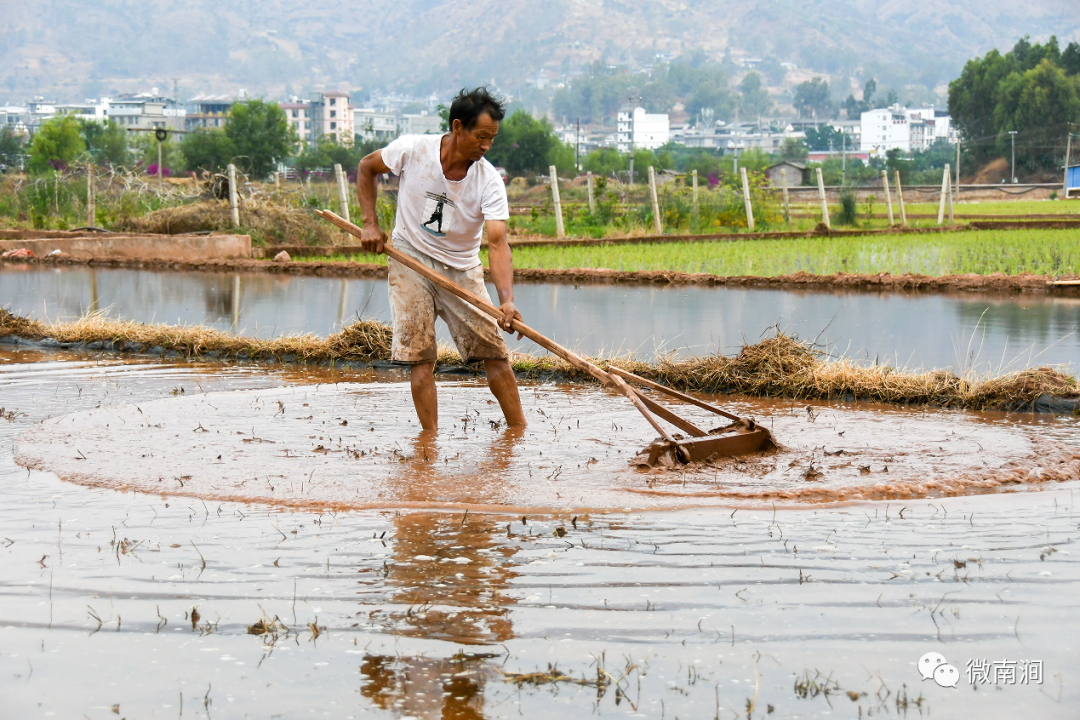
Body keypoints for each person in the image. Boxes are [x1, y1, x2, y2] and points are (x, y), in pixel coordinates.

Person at [355, 87, 526, 432]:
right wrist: (369, 224)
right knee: (420, 356)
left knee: (494, 352)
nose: (486, 146)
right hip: (409, 260)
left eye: (492, 139)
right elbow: (366, 167)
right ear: (457, 126)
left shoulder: (488, 180)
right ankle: (429, 441)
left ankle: (519, 430)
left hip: (462, 268)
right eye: (481, 137)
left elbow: (497, 242)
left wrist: (507, 301)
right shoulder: (414, 150)